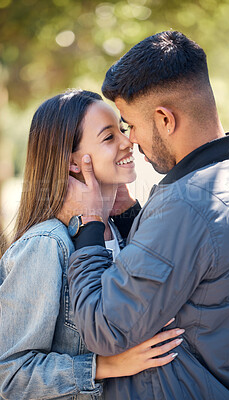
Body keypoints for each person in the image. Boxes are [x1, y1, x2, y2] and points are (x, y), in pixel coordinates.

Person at [61, 31, 229, 399]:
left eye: (131, 125)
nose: (132, 141)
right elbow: (193, 270)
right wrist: (128, 216)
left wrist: (90, 224)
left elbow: (104, 328)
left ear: (165, 119)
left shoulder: (188, 204)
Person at [0, 89, 184, 400]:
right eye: (109, 137)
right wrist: (104, 366)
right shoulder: (47, 244)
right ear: (73, 163)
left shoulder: (121, 231)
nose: (129, 142)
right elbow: (11, 375)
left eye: (123, 130)